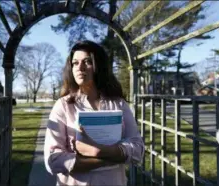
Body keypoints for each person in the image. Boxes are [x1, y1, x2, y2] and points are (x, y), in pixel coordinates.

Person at [44, 40, 144, 186]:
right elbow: (52, 160)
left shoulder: (118, 104)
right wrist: (107, 157)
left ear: (99, 66)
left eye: (87, 61)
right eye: (75, 63)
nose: (80, 67)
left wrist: (99, 151)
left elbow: (138, 149)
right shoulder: (63, 106)